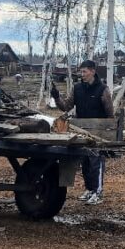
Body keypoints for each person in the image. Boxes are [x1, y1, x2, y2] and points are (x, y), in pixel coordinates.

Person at [51, 59, 113, 205]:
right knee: (85, 162)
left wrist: (108, 133)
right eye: (81, 72)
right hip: (81, 132)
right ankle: (89, 189)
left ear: (93, 71)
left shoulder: (103, 89)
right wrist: (56, 97)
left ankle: (98, 192)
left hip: (98, 133)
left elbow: (110, 114)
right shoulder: (77, 88)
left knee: (96, 162)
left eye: (84, 71)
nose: (82, 74)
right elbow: (66, 106)